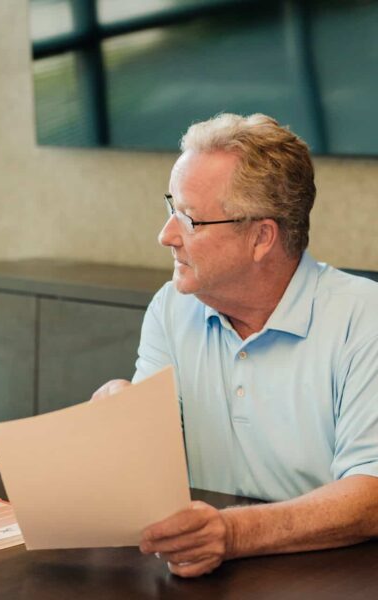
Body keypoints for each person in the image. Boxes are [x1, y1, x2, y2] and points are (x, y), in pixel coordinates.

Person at [92, 113, 378, 577]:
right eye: (171, 208)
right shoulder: (173, 307)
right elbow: (152, 467)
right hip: (202, 573)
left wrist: (234, 534)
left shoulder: (365, 319)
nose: (166, 235)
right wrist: (121, 420)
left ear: (261, 237)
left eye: (189, 218)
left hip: (335, 577)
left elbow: (371, 494)